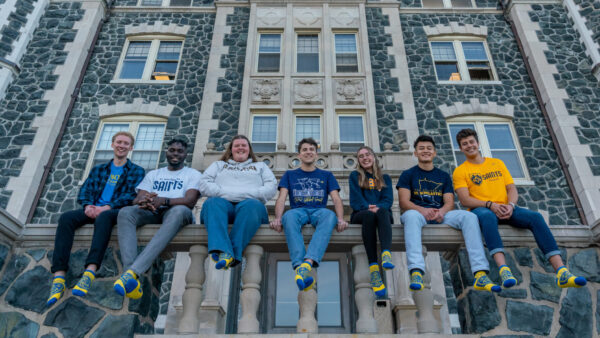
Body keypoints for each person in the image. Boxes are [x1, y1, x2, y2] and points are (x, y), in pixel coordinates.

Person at [453, 128, 586, 289]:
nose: (469, 146)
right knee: (488, 216)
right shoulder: (460, 171)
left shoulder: (497, 163)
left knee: (535, 217)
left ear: (478, 143)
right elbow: (465, 200)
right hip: (482, 209)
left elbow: (511, 189)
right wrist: (490, 204)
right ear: (460, 148)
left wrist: (510, 205)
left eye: (471, 142)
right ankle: (504, 270)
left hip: (505, 207)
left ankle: (562, 272)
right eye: (464, 144)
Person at [47, 132, 145, 306]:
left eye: (126, 143)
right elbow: (85, 190)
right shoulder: (99, 169)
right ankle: (59, 278)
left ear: (131, 148)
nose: (121, 145)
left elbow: (131, 195)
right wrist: (88, 206)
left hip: (114, 212)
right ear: (112, 144)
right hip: (92, 209)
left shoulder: (137, 171)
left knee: (105, 217)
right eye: (119, 142)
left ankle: (89, 273)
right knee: (66, 218)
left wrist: (107, 207)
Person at [398, 135, 499, 293]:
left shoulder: (443, 176)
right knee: (410, 216)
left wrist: (442, 212)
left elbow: (449, 203)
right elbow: (404, 202)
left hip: (441, 213)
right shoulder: (408, 174)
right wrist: (423, 210)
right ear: (415, 153)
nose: (426, 151)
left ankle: (480, 273)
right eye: (421, 148)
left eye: (429, 148)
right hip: (417, 214)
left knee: (469, 217)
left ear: (435, 153)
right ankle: (416, 270)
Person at [114, 138, 202, 299]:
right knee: (126, 212)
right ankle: (130, 275)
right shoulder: (154, 174)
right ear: (166, 152)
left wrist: (164, 200)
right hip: (153, 211)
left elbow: (190, 200)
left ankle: (133, 272)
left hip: (178, 212)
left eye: (179, 151)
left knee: (178, 211)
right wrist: (145, 201)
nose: (175, 154)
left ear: (185, 155)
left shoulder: (193, 174)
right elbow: (137, 198)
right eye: (172, 150)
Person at [270, 138, 348, 291]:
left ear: (316, 154)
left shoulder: (326, 175)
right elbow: (281, 198)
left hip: (318, 211)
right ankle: (299, 265)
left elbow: (336, 199)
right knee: (289, 217)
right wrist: (277, 218)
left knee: (329, 216)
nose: (308, 152)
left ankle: (308, 262)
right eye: (305, 150)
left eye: (312, 149)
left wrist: (340, 219)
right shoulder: (289, 174)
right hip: (298, 211)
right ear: (299, 155)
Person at [199, 135, 277, 269]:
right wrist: (246, 193)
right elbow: (204, 184)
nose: (240, 148)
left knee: (252, 205)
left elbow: (271, 187)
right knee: (211, 203)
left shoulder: (260, 166)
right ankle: (224, 250)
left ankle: (228, 253)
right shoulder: (218, 165)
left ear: (249, 149)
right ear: (231, 149)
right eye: (237, 145)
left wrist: (231, 193)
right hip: (223, 207)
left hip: (250, 208)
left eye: (244, 145)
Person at [349, 146, 394, 298]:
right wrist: (368, 207)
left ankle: (386, 254)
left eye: (367, 154)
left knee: (382, 212)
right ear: (358, 161)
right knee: (369, 215)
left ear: (374, 157)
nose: (365, 158)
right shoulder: (355, 176)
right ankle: (374, 269)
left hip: (382, 214)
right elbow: (355, 200)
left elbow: (388, 200)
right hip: (361, 214)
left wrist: (378, 207)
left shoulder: (384, 178)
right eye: (361, 156)